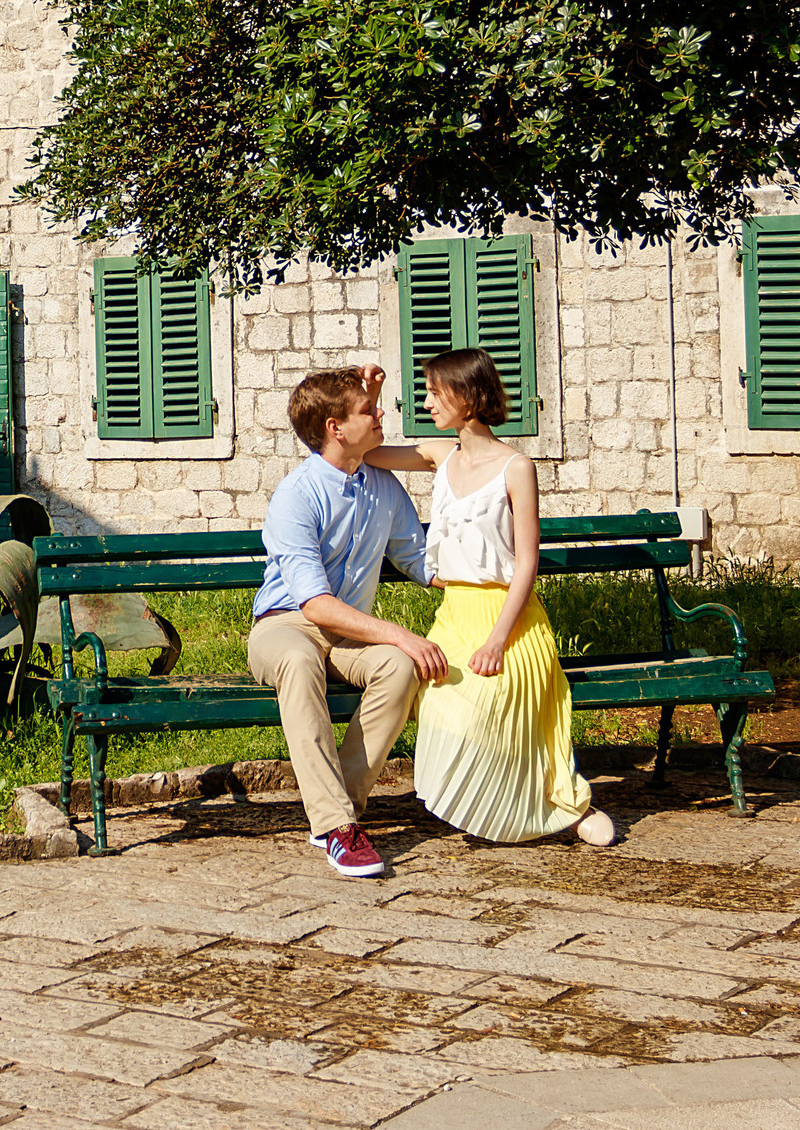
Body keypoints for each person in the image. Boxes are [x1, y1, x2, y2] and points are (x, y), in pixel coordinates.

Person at [363, 353, 616, 847]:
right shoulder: (440, 455)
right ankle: (493, 803)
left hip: (509, 619)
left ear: (468, 397)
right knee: (440, 702)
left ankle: (563, 807)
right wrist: (370, 396)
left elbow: (526, 562)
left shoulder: (516, 468)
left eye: (436, 392)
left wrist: (499, 640)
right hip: (454, 614)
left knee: (498, 699)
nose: (426, 401)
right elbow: (367, 452)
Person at [249, 368, 447, 878]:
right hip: (285, 626)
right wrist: (401, 632)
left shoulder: (382, 485)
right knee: (298, 660)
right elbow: (313, 604)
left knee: (401, 668)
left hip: (346, 636)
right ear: (336, 427)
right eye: (368, 410)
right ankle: (337, 826)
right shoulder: (298, 494)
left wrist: (494, 574)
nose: (381, 413)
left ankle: (342, 808)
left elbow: (423, 563)